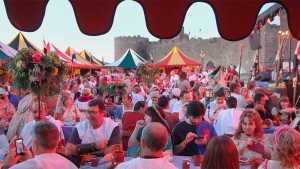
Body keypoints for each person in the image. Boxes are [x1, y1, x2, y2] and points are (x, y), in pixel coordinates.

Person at [2, 121, 77, 169]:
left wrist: (7, 166)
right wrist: (30, 160)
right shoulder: (70, 165)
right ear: (57, 142)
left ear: (35, 144)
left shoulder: (23, 167)